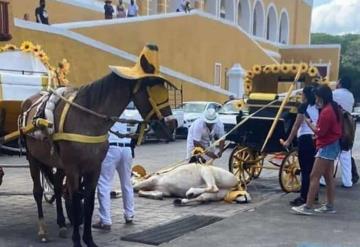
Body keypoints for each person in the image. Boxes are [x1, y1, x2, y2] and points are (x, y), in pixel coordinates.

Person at [292, 85, 342, 215]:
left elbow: (319, 131)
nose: (316, 99)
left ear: (321, 97)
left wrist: (309, 123)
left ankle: (308, 206)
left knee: (314, 176)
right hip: (332, 144)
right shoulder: (333, 107)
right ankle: (330, 205)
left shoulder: (326, 111)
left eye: (317, 97)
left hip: (326, 146)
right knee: (328, 177)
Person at [93, 117, 135, 230]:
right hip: (127, 148)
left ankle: (105, 220)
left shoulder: (108, 109)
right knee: (127, 183)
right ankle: (129, 214)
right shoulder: (124, 111)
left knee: (104, 183)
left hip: (111, 148)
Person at [281, 86, 319, 206]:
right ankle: (314, 194)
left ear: (305, 95)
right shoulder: (319, 107)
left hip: (305, 139)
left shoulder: (303, 107)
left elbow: (296, 126)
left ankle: (304, 197)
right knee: (314, 169)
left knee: (305, 170)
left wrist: (288, 141)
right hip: (316, 139)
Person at [333, 76, 359, 187]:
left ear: (340, 83)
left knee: (330, 155)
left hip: (335, 126)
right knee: (345, 154)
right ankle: (347, 181)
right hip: (347, 128)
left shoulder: (335, 93)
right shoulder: (351, 96)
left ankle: (324, 180)